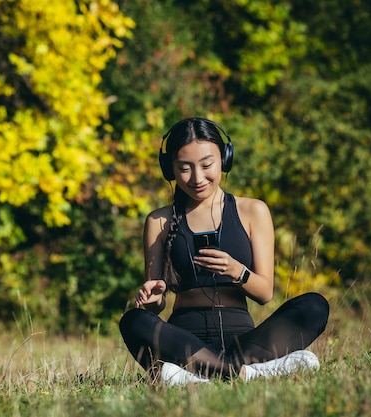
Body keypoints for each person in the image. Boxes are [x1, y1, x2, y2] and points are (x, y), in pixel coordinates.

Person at [119, 117, 329, 384]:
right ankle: (244, 373)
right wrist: (153, 301)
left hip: (244, 341)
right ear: (169, 168)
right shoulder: (158, 221)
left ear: (225, 159)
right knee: (133, 321)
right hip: (184, 342)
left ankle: (194, 376)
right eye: (184, 168)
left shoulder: (254, 210)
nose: (197, 178)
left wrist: (237, 271)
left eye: (207, 165)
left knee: (314, 306)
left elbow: (265, 294)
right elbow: (155, 304)